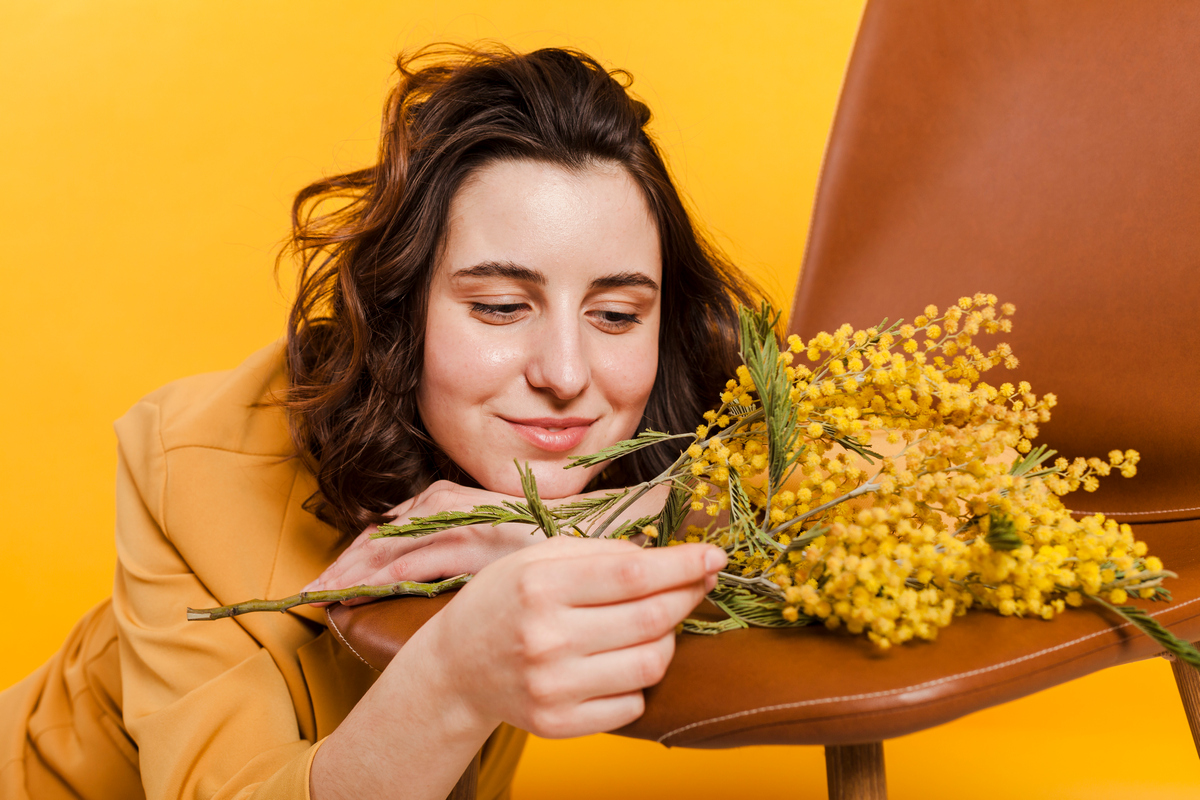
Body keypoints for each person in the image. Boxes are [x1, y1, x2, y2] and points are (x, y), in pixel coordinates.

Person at [0, 44, 757, 800]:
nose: (565, 374)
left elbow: (860, 475)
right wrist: (453, 678)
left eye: (618, 315)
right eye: (499, 307)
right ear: (403, 307)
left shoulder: (672, 425)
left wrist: (580, 529)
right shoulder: (196, 464)